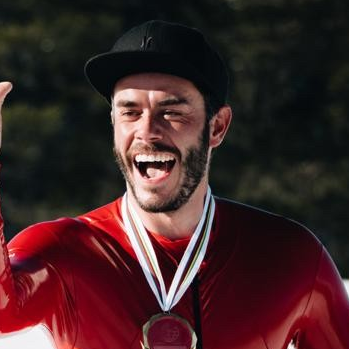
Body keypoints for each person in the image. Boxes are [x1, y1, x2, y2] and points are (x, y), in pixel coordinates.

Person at [0, 20, 348, 349]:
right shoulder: (63, 253)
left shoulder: (292, 257)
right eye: (129, 112)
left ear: (217, 127)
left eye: (172, 111)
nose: (147, 131)